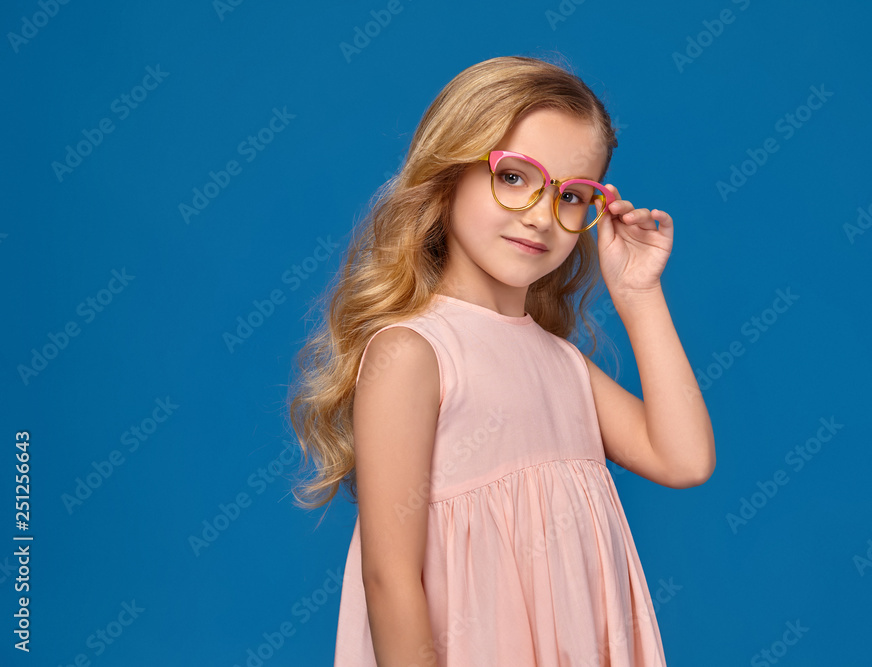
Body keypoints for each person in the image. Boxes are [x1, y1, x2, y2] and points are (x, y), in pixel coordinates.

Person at [287, 54, 716, 666]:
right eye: (514, 177)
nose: (540, 216)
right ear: (449, 174)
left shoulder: (561, 363)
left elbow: (685, 458)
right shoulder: (414, 353)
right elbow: (390, 580)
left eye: (572, 195)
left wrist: (640, 294)